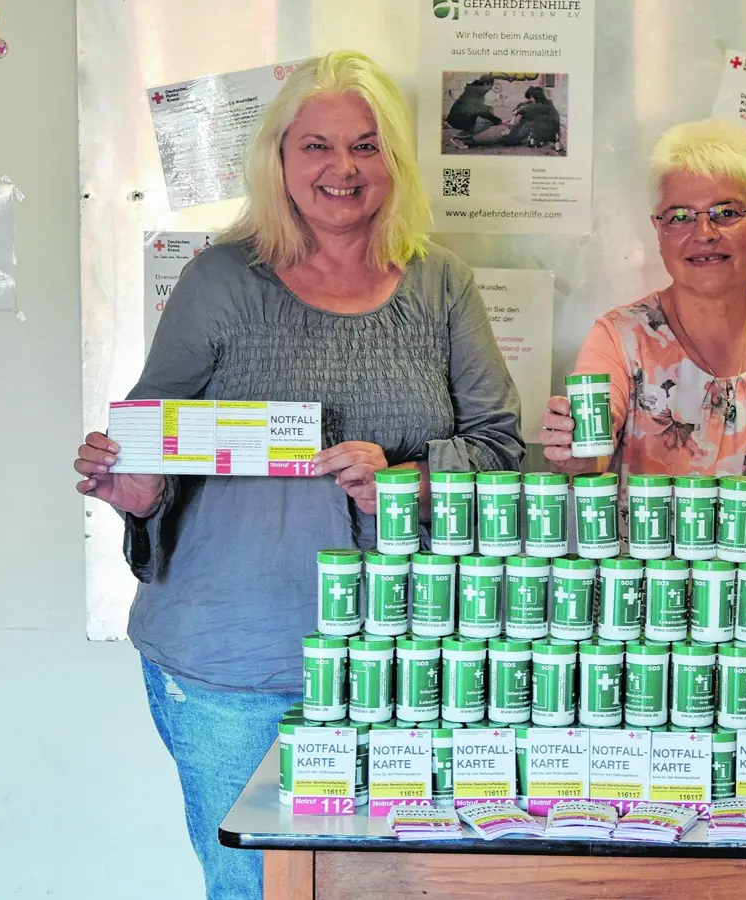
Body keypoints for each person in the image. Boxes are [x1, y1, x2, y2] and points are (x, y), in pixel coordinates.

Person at [72, 51, 523, 900]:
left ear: (395, 161)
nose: (342, 168)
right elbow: (153, 444)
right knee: (251, 889)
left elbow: (501, 446)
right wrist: (137, 487)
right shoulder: (218, 279)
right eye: (315, 146)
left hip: (406, 659)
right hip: (232, 661)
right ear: (278, 159)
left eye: (365, 145)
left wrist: (409, 475)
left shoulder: (442, 283)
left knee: (397, 884)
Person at [537, 118, 746, 546]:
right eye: (680, 216)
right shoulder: (620, 337)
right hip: (647, 605)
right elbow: (593, 452)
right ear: (659, 230)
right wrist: (573, 445)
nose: (703, 233)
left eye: (726, 212)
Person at [451, 85, 562, 151]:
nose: (528, 100)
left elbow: (532, 107)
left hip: (547, 130)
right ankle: (511, 136)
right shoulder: (535, 103)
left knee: (526, 125)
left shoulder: (546, 105)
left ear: (535, 97)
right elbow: (525, 106)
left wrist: (518, 112)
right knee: (524, 122)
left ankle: (510, 139)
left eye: (530, 98)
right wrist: (516, 111)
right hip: (538, 126)